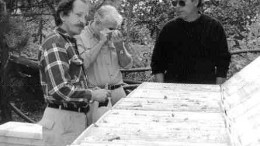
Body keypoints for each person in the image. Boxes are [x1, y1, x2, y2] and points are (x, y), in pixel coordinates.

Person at [37, 0, 111, 145]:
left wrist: (91, 89)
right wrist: (93, 94)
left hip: (73, 119)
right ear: (63, 15)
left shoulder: (69, 42)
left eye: (85, 16)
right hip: (62, 121)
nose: (83, 21)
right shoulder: (55, 42)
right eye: (78, 15)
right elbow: (59, 89)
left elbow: (73, 81)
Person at [151, 0, 231, 84]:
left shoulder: (214, 27)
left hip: (206, 89)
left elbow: (223, 62)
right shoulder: (168, 29)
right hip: (173, 89)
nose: (177, 6)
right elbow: (157, 62)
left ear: (196, 2)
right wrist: (162, 89)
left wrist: (217, 90)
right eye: (174, 3)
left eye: (182, 2)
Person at [76, 5, 133, 107]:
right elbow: (83, 64)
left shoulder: (114, 36)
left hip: (118, 92)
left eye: (116, 28)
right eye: (110, 28)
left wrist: (120, 48)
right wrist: (101, 42)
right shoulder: (81, 36)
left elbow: (127, 65)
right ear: (97, 22)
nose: (114, 31)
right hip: (97, 95)